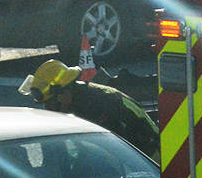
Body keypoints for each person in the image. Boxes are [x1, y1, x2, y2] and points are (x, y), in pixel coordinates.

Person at [19, 59, 159, 160]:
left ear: (64, 95)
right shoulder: (76, 100)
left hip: (149, 155)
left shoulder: (98, 105)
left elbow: (113, 151)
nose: (47, 109)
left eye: (50, 103)